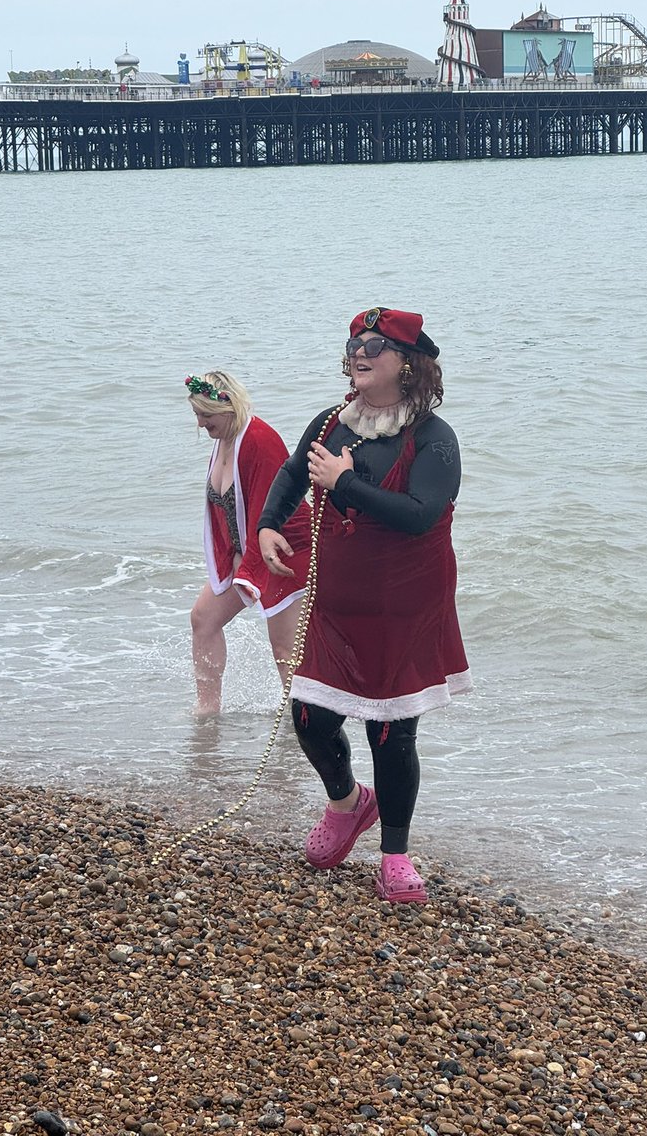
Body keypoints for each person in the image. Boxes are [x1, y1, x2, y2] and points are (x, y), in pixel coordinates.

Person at [257, 308, 471, 903]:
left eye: (375, 345)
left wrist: (346, 484)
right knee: (310, 717)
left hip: (406, 607)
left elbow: (421, 515)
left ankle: (396, 857)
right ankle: (348, 804)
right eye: (354, 342)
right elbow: (295, 472)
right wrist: (271, 525)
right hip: (337, 601)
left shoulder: (434, 437)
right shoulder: (332, 422)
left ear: (408, 363)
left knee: (392, 733)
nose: (359, 351)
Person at [185, 370, 310, 714]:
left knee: (284, 650)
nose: (199, 423)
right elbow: (227, 517)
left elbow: (267, 515)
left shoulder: (259, 439)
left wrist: (251, 570)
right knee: (203, 619)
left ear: (226, 409)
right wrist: (234, 561)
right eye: (196, 414)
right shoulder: (224, 440)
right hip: (251, 551)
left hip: (286, 553)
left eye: (205, 415)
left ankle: (303, 726)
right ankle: (207, 710)